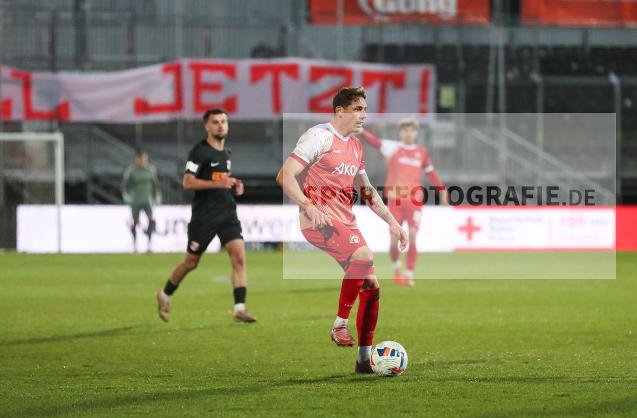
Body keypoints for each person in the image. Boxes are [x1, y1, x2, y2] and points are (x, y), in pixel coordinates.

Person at [276, 87, 408, 374]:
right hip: (318, 221)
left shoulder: (355, 146)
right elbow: (285, 176)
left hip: (345, 222)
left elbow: (367, 190)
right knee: (363, 254)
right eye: (358, 108)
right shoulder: (319, 136)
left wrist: (393, 222)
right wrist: (309, 206)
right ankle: (339, 325)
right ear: (340, 111)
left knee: (372, 286)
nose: (364, 114)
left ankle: (363, 360)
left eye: (365, 108)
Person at [154, 108, 256, 323]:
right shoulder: (199, 152)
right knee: (191, 263)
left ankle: (239, 308)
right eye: (216, 122)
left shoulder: (225, 153)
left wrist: (234, 184)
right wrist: (217, 183)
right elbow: (187, 182)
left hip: (227, 212)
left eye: (223, 121)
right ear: (207, 127)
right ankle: (164, 295)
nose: (221, 125)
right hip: (204, 217)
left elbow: (221, 180)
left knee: (239, 258)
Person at [361, 118, 448, 286]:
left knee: (413, 235)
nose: (409, 133)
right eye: (405, 130)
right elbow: (375, 142)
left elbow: (431, 173)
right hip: (396, 199)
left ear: (416, 133)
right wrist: (361, 131)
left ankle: (409, 274)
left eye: (412, 130)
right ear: (401, 132)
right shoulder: (393, 148)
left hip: (415, 200)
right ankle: (397, 267)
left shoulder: (421, 152)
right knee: (394, 241)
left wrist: (442, 191)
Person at [122, 150, 160, 252]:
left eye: (144, 159)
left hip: (147, 200)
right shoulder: (131, 171)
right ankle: (134, 244)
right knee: (134, 222)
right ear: (136, 159)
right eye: (140, 159)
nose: (142, 161)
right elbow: (125, 186)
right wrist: (126, 197)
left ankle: (149, 244)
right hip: (135, 201)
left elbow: (155, 185)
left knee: (151, 220)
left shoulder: (151, 170)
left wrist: (157, 197)